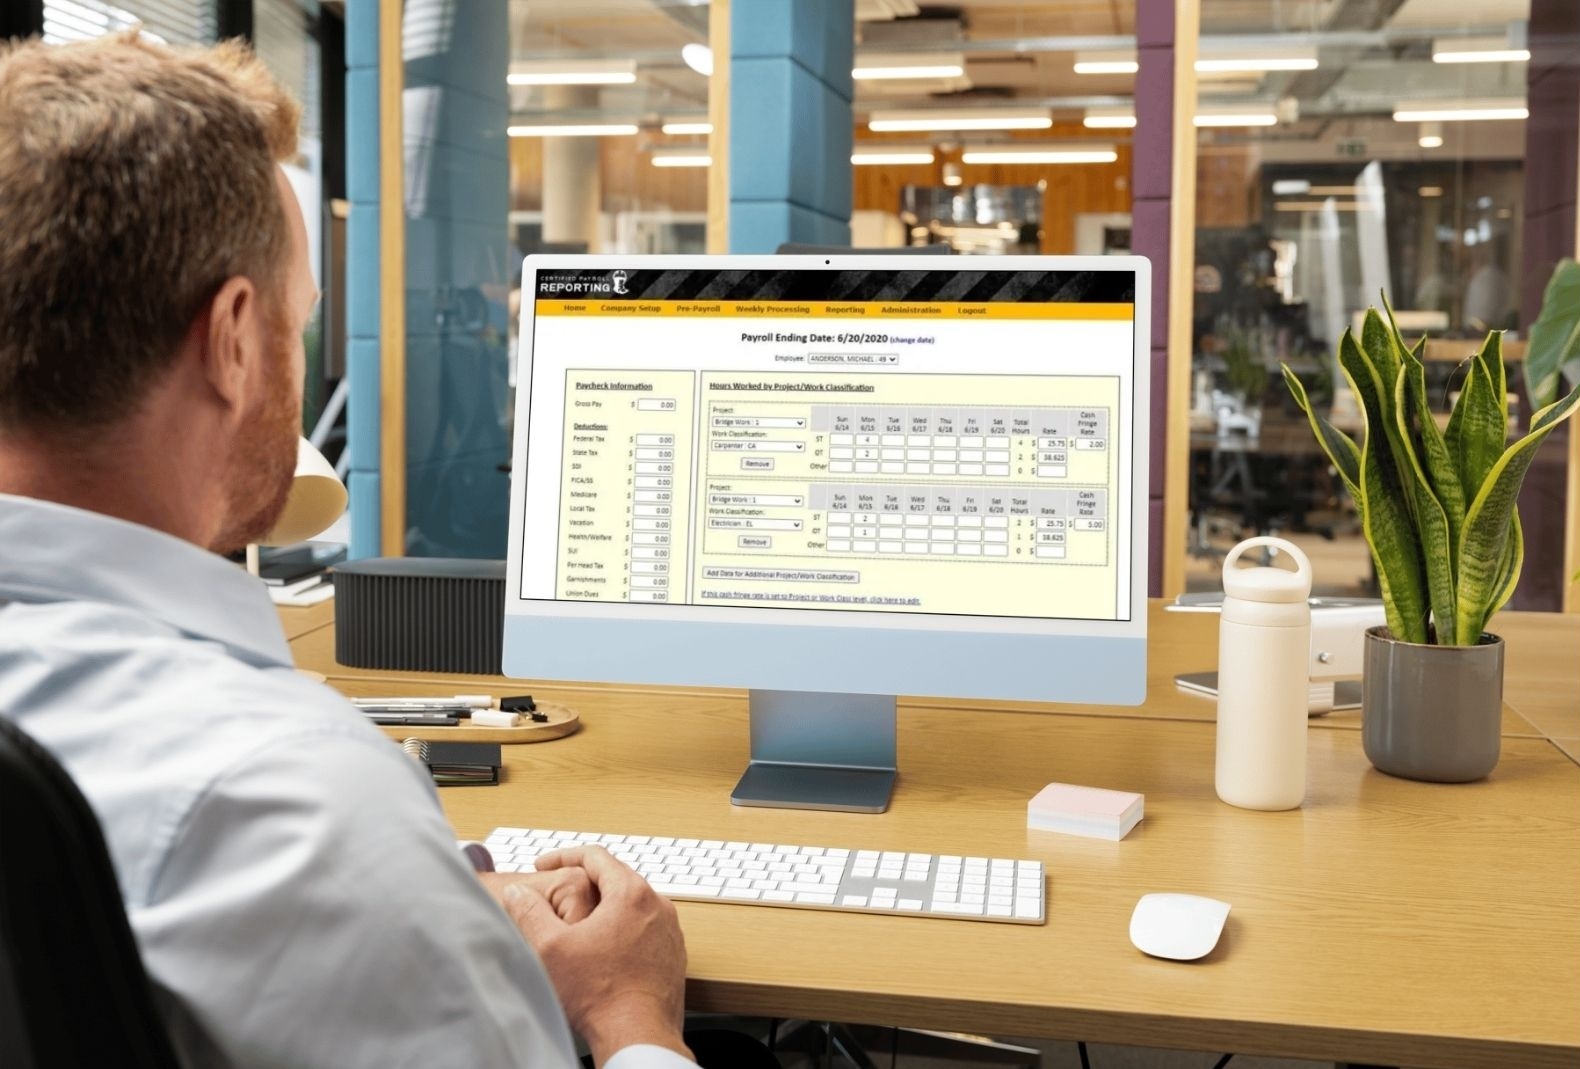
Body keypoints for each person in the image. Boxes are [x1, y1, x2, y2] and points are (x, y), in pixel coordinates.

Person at [0, 33, 732, 1069]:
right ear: (234, 340)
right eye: (300, 319)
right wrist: (630, 1014)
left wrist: (421, 897)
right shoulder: (295, 803)